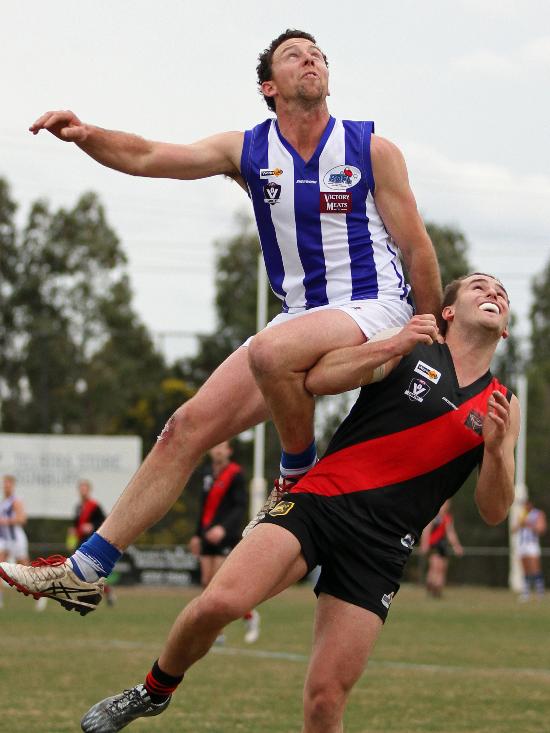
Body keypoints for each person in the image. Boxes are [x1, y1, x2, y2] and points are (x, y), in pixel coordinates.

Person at [0, 29, 442, 613]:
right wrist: (87, 135)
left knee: (270, 353)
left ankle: (298, 475)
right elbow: (151, 156)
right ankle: (85, 570)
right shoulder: (249, 150)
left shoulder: (371, 150)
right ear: (269, 86)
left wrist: (430, 333)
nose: (311, 58)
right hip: (302, 319)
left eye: (318, 54)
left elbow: (419, 250)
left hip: (377, 306)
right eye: (294, 54)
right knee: (183, 428)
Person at [76, 272, 518, 733]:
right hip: (318, 503)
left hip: (382, 548)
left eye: (501, 293)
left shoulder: (503, 402)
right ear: (448, 312)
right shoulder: (412, 343)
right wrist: (391, 345)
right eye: (479, 287)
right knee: (217, 605)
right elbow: (320, 379)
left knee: (325, 701)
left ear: (504, 328)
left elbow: (494, 509)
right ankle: (152, 691)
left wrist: (495, 451)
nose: (493, 293)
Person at [190, 441, 260, 643]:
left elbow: (239, 507)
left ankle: (249, 616)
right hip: (206, 534)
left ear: (229, 451)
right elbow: (203, 506)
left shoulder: (236, 474)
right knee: (206, 582)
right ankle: (216, 632)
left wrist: (223, 528)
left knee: (221, 585)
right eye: (215, 446)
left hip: (226, 535)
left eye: (222, 447)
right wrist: (196, 534)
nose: (218, 450)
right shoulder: (206, 473)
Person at [0, 475, 47, 612]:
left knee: (27, 572)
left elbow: (22, 519)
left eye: (8, 484)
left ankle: (42, 593)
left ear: (12, 486)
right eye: (4, 484)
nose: (6, 486)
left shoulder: (16, 501)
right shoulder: (4, 502)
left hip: (17, 540)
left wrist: (6, 522)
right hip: (6, 540)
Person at [67, 480, 116, 606]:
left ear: (89, 490)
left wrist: (92, 525)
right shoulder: (78, 507)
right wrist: (72, 533)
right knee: (76, 570)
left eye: (85, 488)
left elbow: (103, 522)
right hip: (80, 541)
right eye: (81, 488)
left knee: (93, 573)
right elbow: (76, 525)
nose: (83, 491)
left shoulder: (94, 506)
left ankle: (107, 592)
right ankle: (80, 597)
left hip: (90, 541)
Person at [420, 499, 463, 597]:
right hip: (433, 545)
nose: (445, 506)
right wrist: (424, 544)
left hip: (442, 545)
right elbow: (426, 531)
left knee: (442, 568)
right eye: (443, 504)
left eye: (447, 505)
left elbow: (451, 533)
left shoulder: (447, 518)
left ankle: (437, 589)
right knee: (435, 567)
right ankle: (432, 587)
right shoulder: (433, 517)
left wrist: (456, 546)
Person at [513, 499, 546, 601]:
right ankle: (525, 593)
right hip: (522, 544)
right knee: (526, 570)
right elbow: (513, 530)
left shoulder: (538, 514)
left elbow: (541, 529)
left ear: (530, 505)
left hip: (532, 544)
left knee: (535, 568)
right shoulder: (522, 514)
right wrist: (520, 524)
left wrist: (529, 524)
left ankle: (540, 592)